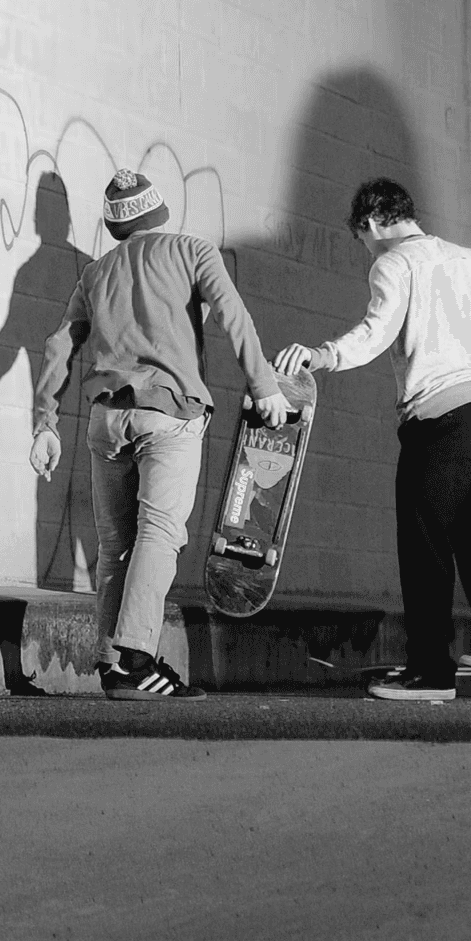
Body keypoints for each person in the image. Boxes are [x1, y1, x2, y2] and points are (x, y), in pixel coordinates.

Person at [29, 170, 293, 700]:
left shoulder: (95, 273)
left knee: (115, 547)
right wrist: (264, 384)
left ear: (113, 224)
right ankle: (134, 656)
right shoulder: (192, 251)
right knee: (160, 534)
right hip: (169, 415)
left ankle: (115, 664)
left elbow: (59, 346)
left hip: (106, 423)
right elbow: (231, 314)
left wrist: (44, 424)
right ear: (159, 211)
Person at [276, 177, 471, 702]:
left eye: (362, 241)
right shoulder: (470, 259)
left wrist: (323, 355)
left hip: (440, 414)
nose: (366, 252)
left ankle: (430, 671)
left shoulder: (393, 263)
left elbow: (376, 332)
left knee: (425, 540)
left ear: (371, 224)